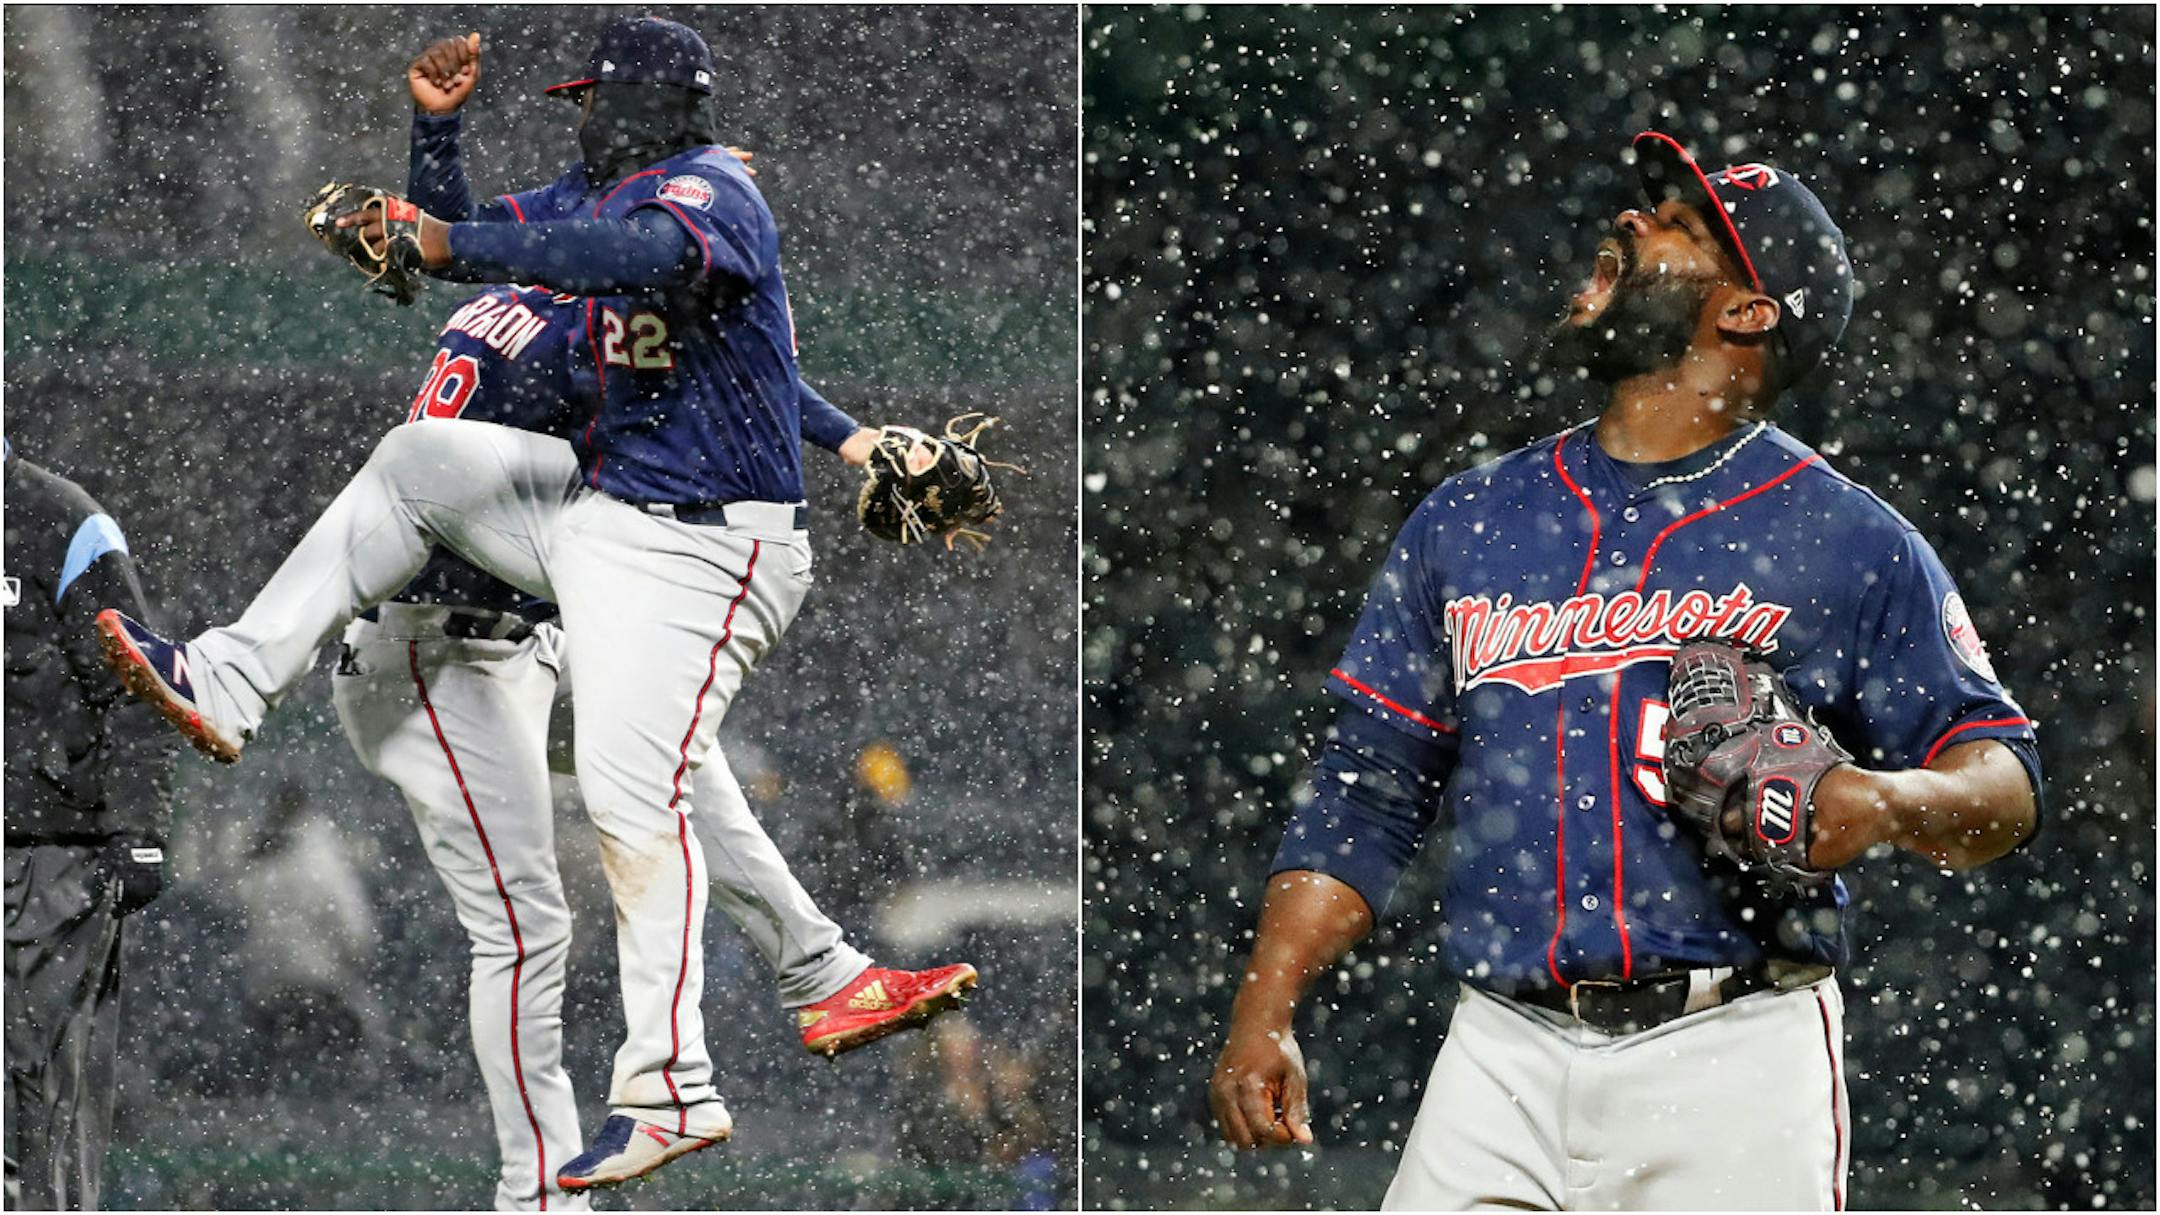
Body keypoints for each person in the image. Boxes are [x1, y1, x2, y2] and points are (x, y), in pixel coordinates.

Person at [96, 17, 976, 1191]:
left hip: (564, 588)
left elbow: (622, 270)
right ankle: (550, 1175)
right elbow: (534, 253)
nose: (579, 124)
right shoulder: (584, 265)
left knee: (669, 770)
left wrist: (853, 435)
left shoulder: (618, 248)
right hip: (439, 633)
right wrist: (433, 174)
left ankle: (815, 971)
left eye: (594, 103)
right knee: (546, 905)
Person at [1207, 131, 2043, 1210]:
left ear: (1745, 311)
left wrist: (1888, 803)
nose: (1634, 220)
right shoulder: (1472, 518)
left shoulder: (1846, 539)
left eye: (1681, 227)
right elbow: (1370, 784)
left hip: (1736, 1054)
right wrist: (1264, 1006)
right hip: (1499, 1052)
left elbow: (2005, 780)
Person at [4, 442, 179, 1210]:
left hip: (51, 856)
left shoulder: (64, 519)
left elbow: (140, 682)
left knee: (41, 1089)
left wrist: (141, 827)